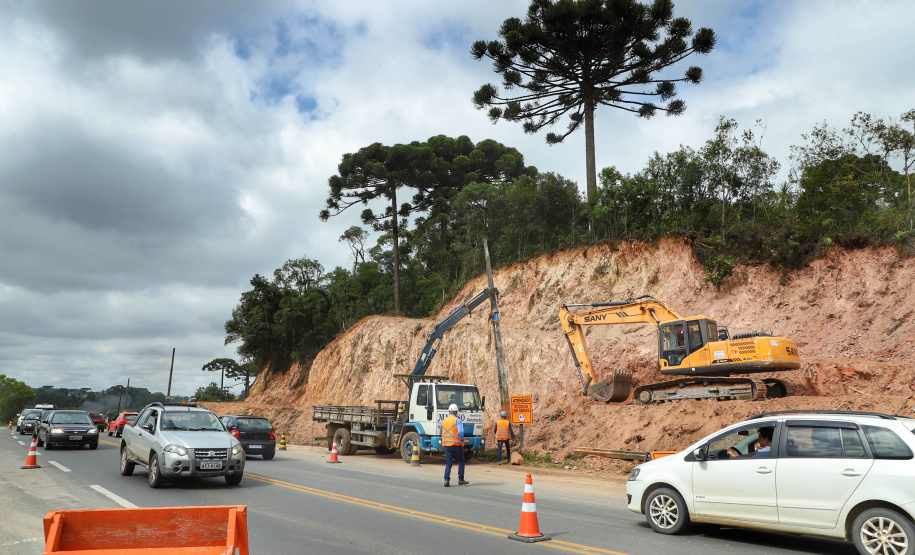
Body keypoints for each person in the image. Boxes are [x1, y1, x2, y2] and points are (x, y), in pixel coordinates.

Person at [440, 404, 468, 487]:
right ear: (456, 412)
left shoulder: (444, 420)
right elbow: (460, 432)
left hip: (446, 445)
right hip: (456, 445)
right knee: (461, 460)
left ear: (449, 411)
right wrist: (462, 439)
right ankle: (461, 479)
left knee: (449, 463)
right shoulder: (457, 420)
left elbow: (440, 432)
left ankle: (446, 480)